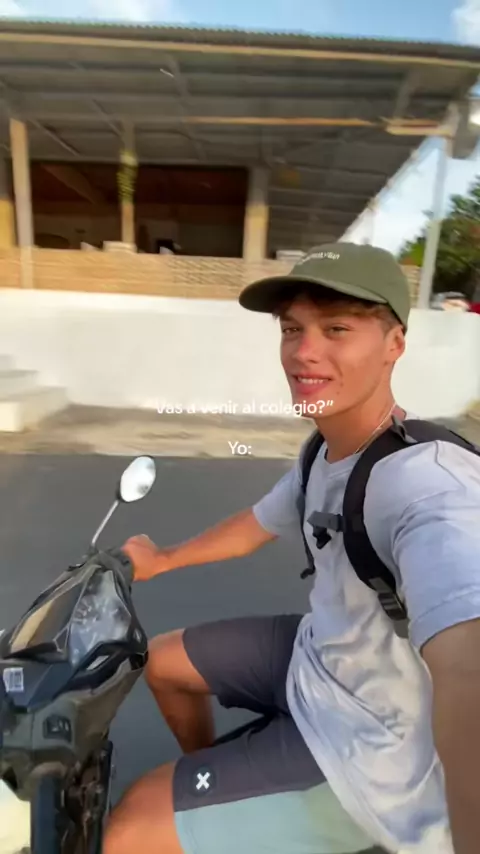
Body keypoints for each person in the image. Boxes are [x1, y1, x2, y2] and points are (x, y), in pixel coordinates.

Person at [103, 243, 480, 854]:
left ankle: (230, 805)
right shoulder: (324, 451)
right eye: (292, 329)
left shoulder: (429, 482)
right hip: (319, 654)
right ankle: (230, 808)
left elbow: (467, 661)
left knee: (127, 833)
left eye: (337, 329)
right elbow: (257, 522)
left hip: (368, 737)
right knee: (161, 661)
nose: (304, 351)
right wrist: (163, 559)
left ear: (394, 344)